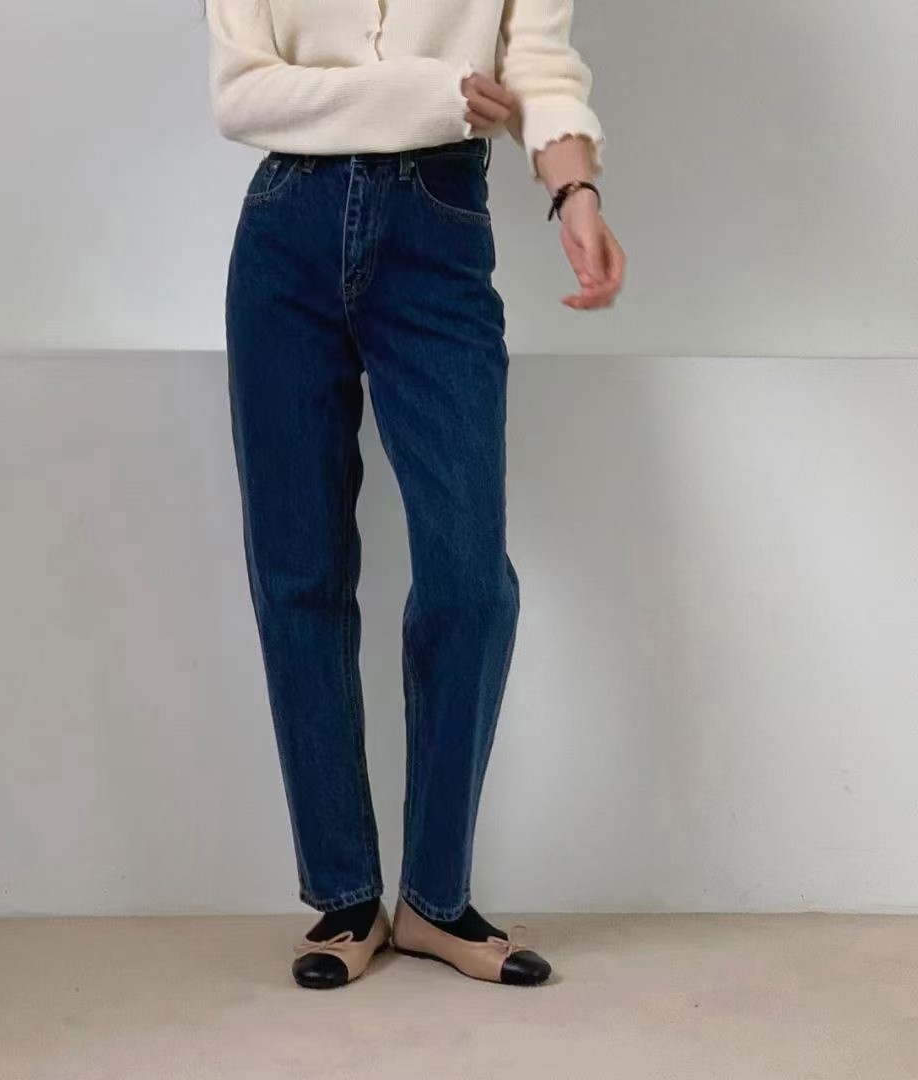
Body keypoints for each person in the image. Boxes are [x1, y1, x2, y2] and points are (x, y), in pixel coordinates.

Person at [206, 0, 625, 990]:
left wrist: (575, 193)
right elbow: (241, 94)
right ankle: (346, 896)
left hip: (439, 226)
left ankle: (435, 900)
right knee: (299, 571)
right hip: (285, 232)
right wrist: (430, 93)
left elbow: (540, 64)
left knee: (470, 577)